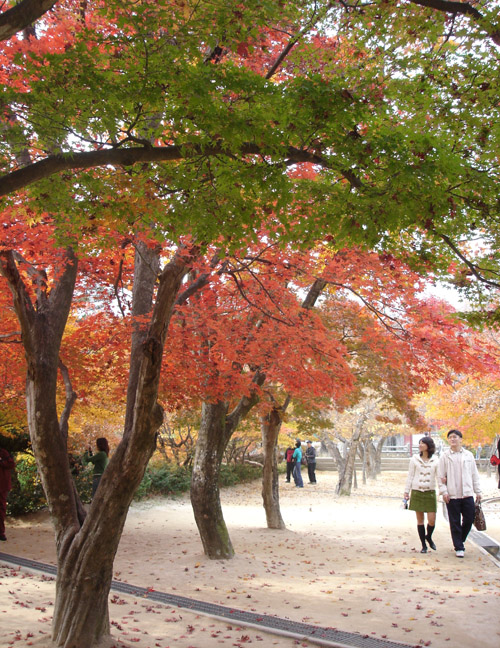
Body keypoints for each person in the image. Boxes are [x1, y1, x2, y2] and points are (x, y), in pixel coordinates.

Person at [438, 429, 481, 558]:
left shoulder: (468, 455)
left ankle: (460, 539)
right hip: (452, 494)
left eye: (455, 437)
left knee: (469, 518)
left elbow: (474, 474)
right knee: (454, 521)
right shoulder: (445, 456)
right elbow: (440, 476)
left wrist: (478, 491)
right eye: (450, 437)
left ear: (460, 439)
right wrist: (444, 491)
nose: (452, 439)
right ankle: (459, 547)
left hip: (467, 493)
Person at [404, 437, 438, 553]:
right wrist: (406, 491)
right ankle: (423, 545)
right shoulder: (414, 459)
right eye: (420, 443)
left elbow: (439, 476)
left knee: (432, 520)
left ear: (429, 445)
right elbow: (410, 476)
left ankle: (428, 536)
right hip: (417, 491)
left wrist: (443, 491)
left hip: (430, 492)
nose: (420, 445)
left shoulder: (436, 460)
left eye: (423, 443)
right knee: (420, 520)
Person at [0, 446, 16, 542]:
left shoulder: (3, 452)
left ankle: (1, 532)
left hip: (2, 486)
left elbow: (11, 464)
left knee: (1, 509)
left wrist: (1, 462)